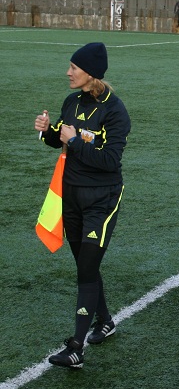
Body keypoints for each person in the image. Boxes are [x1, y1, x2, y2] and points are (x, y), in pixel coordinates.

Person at [34, 42, 131, 369]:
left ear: (90, 73)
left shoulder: (115, 111)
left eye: (74, 67)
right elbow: (62, 137)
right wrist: (49, 131)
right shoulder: (71, 101)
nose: (68, 72)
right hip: (71, 195)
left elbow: (109, 160)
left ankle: (76, 346)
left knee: (87, 269)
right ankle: (105, 320)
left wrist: (75, 139)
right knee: (85, 266)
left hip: (102, 199)